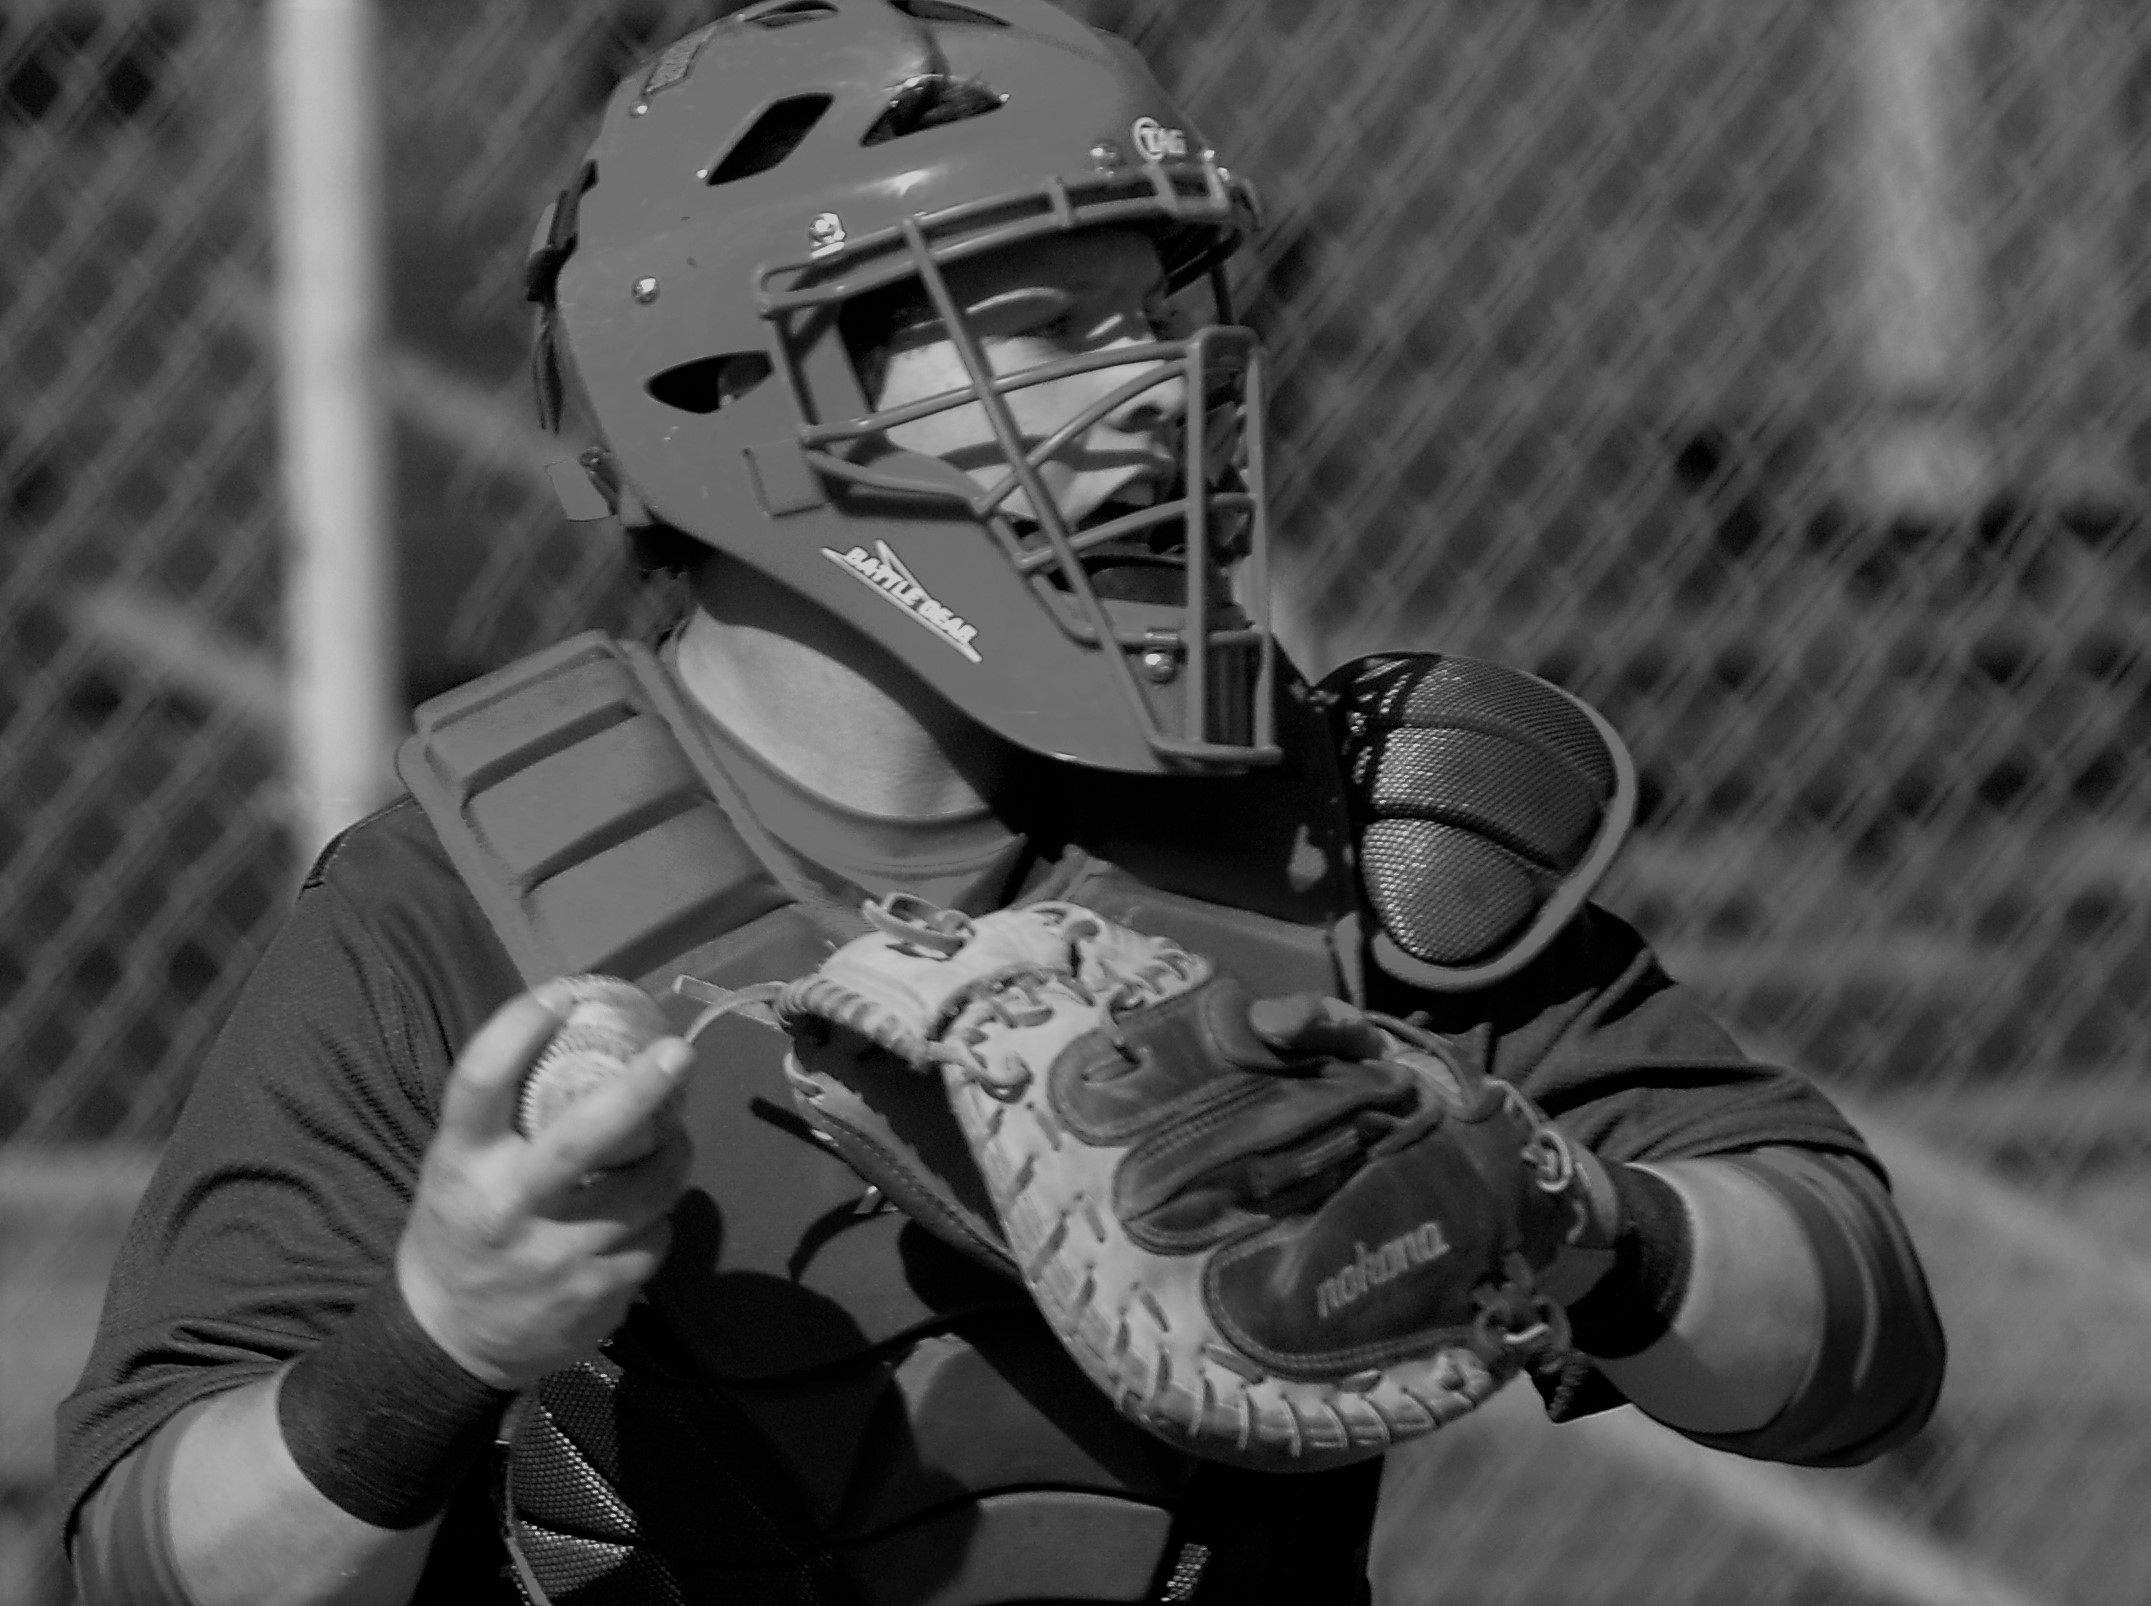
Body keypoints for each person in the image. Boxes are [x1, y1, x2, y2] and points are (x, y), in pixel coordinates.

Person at [55, 3, 1946, 1602]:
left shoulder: (1344, 826)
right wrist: (442, 1339)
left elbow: (1858, 1340)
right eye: (1047, 326)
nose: (1161, 388)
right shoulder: (463, 898)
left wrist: (1570, 1209)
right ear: (739, 388)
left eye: (1157, 316)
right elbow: (141, 1561)